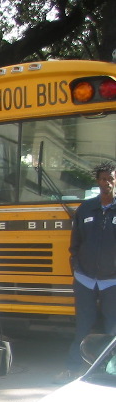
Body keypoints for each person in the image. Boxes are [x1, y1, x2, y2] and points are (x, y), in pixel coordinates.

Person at [57, 161, 116, 382]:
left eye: (111, 178)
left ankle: (108, 372)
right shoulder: (86, 208)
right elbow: (75, 244)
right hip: (85, 280)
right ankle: (73, 369)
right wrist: (77, 269)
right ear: (97, 181)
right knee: (83, 327)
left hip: (113, 282)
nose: (107, 182)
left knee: (112, 329)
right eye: (103, 179)